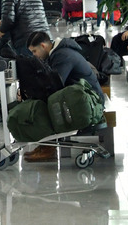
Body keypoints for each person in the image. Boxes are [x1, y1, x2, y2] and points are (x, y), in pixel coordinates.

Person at [25, 31, 105, 162]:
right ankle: (45, 145)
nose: (34, 56)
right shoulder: (57, 53)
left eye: (34, 51)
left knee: (48, 106)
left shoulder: (62, 56)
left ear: (43, 46)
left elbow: (55, 86)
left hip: (91, 102)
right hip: (85, 97)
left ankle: (48, 149)